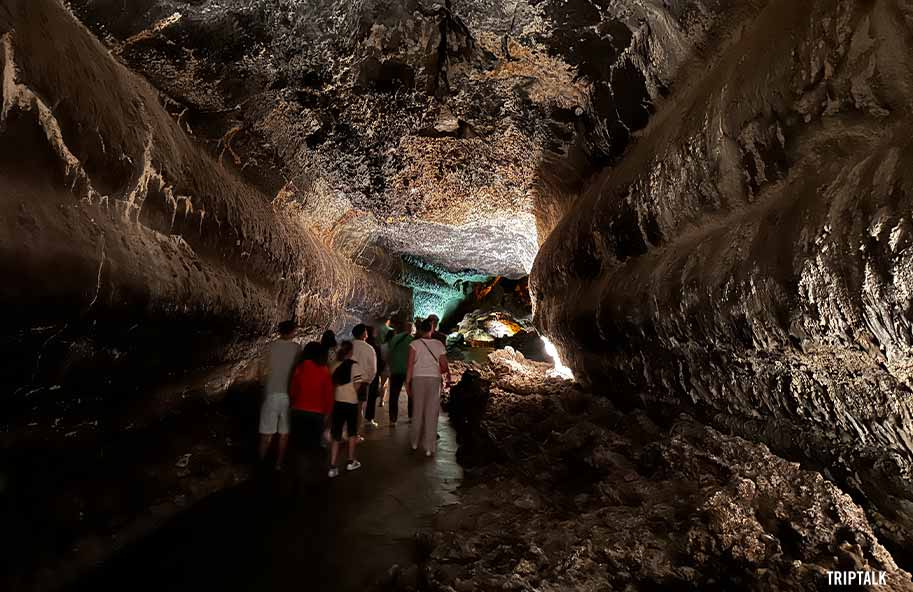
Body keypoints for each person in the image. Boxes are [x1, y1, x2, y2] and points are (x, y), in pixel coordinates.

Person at [258, 320, 300, 470]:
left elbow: (262, 372)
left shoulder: (269, 347)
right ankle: (279, 463)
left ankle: (262, 462)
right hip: (287, 395)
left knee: (266, 434)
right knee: (284, 433)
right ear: (292, 331)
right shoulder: (296, 348)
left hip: (271, 393)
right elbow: (297, 372)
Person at [406, 319, 452, 456]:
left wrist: (407, 383)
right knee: (432, 413)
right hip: (433, 379)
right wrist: (443, 373)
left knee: (417, 411)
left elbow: (410, 365)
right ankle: (429, 447)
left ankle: (414, 442)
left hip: (417, 379)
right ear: (431, 329)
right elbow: (444, 366)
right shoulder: (439, 344)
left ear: (420, 329)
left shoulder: (414, 344)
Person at [289, 341, 333, 458]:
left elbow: (293, 390)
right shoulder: (324, 370)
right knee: (314, 446)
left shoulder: (299, 368)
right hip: (317, 413)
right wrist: (328, 413)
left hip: (298, 410)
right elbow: (328, 394)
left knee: (299, 445)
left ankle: (298, 470)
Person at [328, 341, 365, 477]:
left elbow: (333, 384)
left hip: (338, 402)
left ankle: (332, 466)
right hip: (351, 403)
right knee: (351, 432)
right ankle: (350, 461)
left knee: (336, 434)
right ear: (350, 352)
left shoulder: (334, 365)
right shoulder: (354, 366)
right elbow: (357, 385)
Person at [350, 324, 377, 438]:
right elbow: (373, 368)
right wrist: (369, 380)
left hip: (348, 381)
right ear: (363, 334)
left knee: (346, 406)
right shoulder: (369, 348)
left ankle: (344, 431)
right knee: (359, 408)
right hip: (362, 381)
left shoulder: (349, 346)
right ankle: (355, 434)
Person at [387, 319, 414, 425]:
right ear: (410, 329)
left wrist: (391, 365)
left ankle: (392, 419)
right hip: (408, 371)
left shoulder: (394, 339)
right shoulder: (412, 340)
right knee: (411, 394)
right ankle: (411, 416)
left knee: (394, 395)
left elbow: (389, 352)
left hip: (395, 370)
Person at [364, 326, 386, 427]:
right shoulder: (375, 346)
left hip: (360, 374)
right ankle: (369, 418)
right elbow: (380, 362)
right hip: (373, 374)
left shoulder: (358, 345)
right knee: (371, 398)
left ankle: (358, 417)